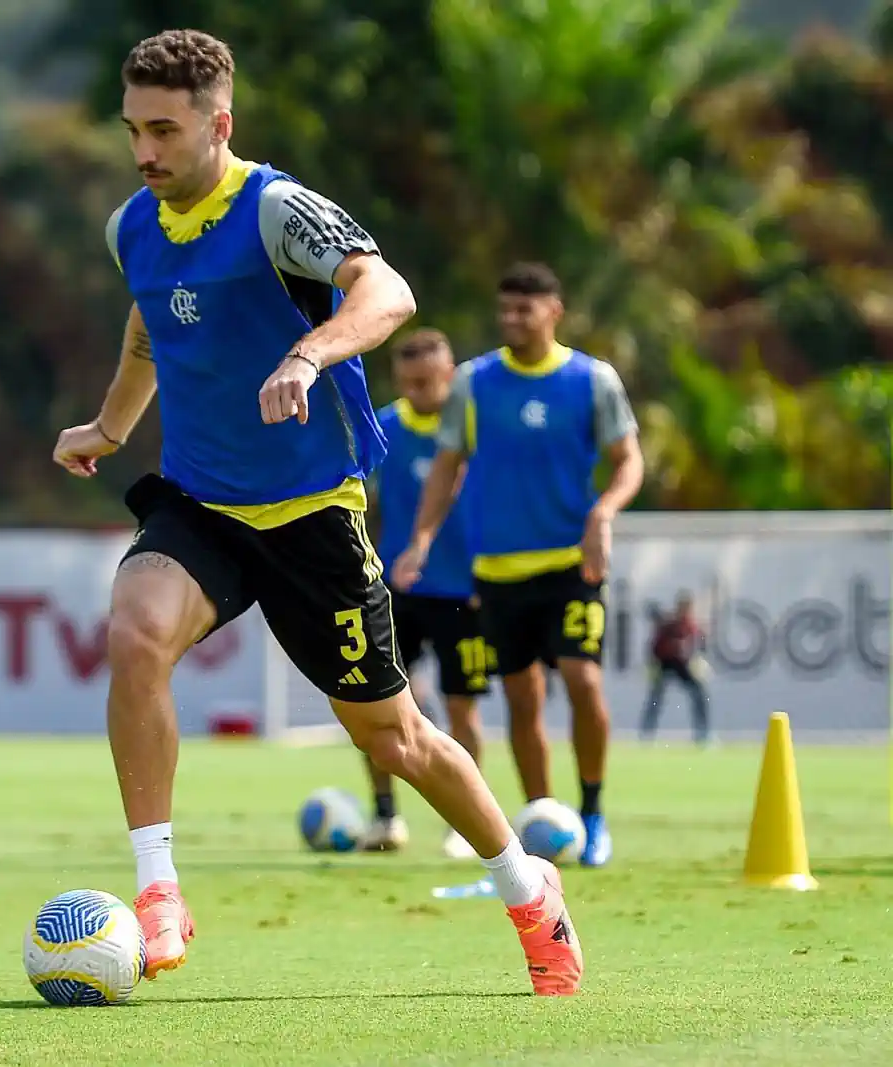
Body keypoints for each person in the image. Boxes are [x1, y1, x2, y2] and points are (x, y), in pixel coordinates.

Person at [52, 30, 582, 996]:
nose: (145, 151)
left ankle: (526, 886)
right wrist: (110, 423)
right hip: (202, 502)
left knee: (395, 738)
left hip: (310, 517)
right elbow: (148, 319)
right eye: (133, 129)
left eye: (164, 130)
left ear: (220, 124)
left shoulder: (276, 211)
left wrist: (309, 355)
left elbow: (388, 290)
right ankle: (159, 887)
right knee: (133, 636)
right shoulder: (133, 223)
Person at [394, 262, 643, 869]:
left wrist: (603, 514)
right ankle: (542, 817)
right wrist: (421, 539)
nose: (510, 320)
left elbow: (628, 460)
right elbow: (447, 467)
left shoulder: (592, 381)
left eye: (523, 310)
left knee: (583, 681)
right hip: (498, 571)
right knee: (522, 700)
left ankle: (591, 811)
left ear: (554, 312)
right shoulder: (475, 384)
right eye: (503, 310)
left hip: (568, 566)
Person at [359, 329, 488, 859]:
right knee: (374, 708)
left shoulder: (478, 429)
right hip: (395, 589)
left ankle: (464, 822)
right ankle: (386, 816)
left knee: (463, 712)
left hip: (464, 591)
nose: (420, 391)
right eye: (410, 382)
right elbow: (359, 500)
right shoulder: (383, 428)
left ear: (450, 373)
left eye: (430, 380)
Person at [640, 591, 712, 744]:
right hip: (665, 664)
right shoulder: (668, 624)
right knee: (655, 699)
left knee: (699, 694)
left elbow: (700, 645)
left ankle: (703, 733)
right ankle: (646, 732)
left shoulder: (691, 625)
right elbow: (654, 647)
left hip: (682, 664)